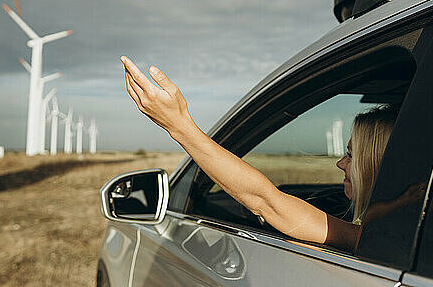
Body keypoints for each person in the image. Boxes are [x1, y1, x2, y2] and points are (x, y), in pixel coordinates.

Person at [119, 55, 399, 250]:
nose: (340, 163)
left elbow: (266, 201)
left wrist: (179, 127)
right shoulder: (402, 218)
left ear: (377, 163)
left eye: (351, 155)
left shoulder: (374, 237)